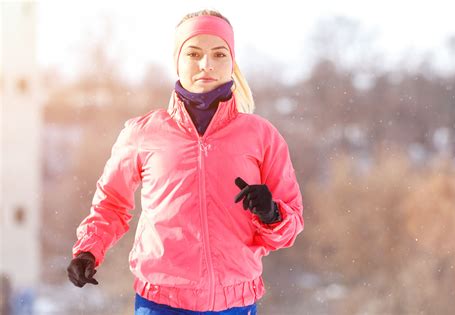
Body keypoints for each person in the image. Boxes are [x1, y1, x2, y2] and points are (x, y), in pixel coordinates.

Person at [67, 9, 304, 315]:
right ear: (177, 60)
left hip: (235, 303)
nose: (207, 64)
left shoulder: (261, 136)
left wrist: (272, 214)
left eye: (219, 54)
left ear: (232, 62)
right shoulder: (143, 133)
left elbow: (293, 218)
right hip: (162, 303)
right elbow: (112, 203)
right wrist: (88, 250)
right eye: (194, 53)